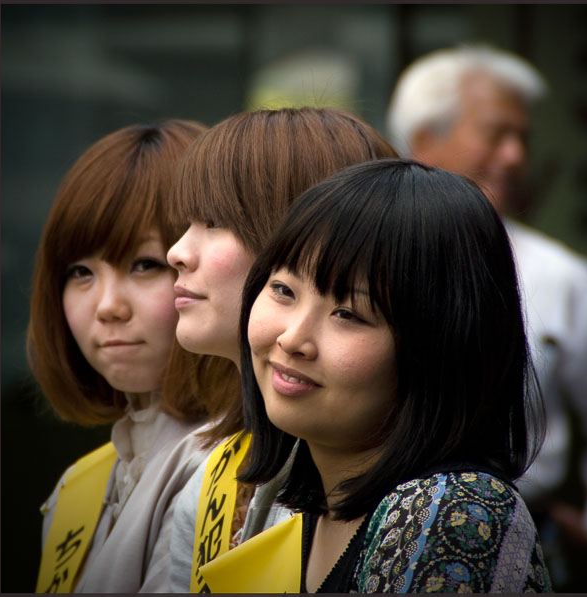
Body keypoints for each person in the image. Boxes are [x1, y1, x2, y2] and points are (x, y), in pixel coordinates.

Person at [386, 44, 587, 583]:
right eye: (495, 133)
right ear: (423, 140)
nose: (514, 157)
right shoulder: (367, 260)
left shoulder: (560, 275)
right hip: (379, 532)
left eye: (523, 139)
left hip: (525, 541)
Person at [216, 158, 551, 593]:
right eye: (283, 290)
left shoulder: (456, 510)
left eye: (348, 314)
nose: (293, 338)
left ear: (439, 347)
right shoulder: (302, 512)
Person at [164, 106, 399, 592]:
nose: (178, 252)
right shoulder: (221, 465)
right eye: (186, 222)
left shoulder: (434, 503)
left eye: (215, 221)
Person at [27, 119, 223, 592]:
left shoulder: (235, 473)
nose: (108, 306)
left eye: (144, 265)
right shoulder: (82, 483)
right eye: (80, 272)